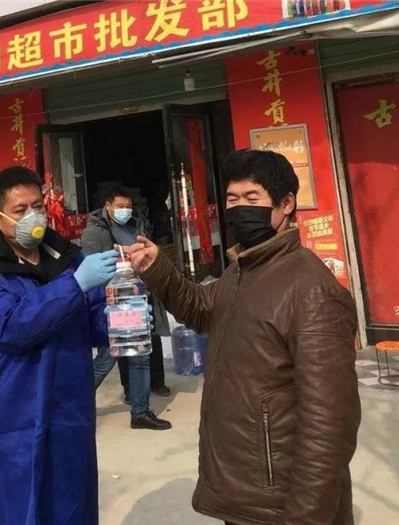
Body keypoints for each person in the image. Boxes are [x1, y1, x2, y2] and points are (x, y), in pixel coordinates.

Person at [124, 149, 361, 525]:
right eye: (232, 199)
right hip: (247, 491)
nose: (239, 209)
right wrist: (159, 270)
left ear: (286, 204)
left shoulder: (311, 289)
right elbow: (202, 308)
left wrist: (306, 516)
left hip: (281, 502)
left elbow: (329, 424)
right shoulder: (242, 269)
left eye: (252, 197)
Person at [0, 167, 118, 525]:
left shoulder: (67, 258)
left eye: (38, 207)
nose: (33, 217)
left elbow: (93, 318)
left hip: (71, 411)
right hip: (14, 414)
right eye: (21, 210)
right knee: (20, 508)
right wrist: (73, 286)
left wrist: (121, 321)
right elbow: (11, 327)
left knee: (73, 505)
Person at [81, 186, 171, 431]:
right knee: (107, 359)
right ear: (108, 206)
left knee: (140, 356)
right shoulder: (94, 232)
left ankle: (140, 412)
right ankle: (72, 401)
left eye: (128, 206)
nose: (125, 211)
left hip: (135, 300)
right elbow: (90, 269)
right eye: (120, 206)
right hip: (112, 304)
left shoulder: (133, 227)